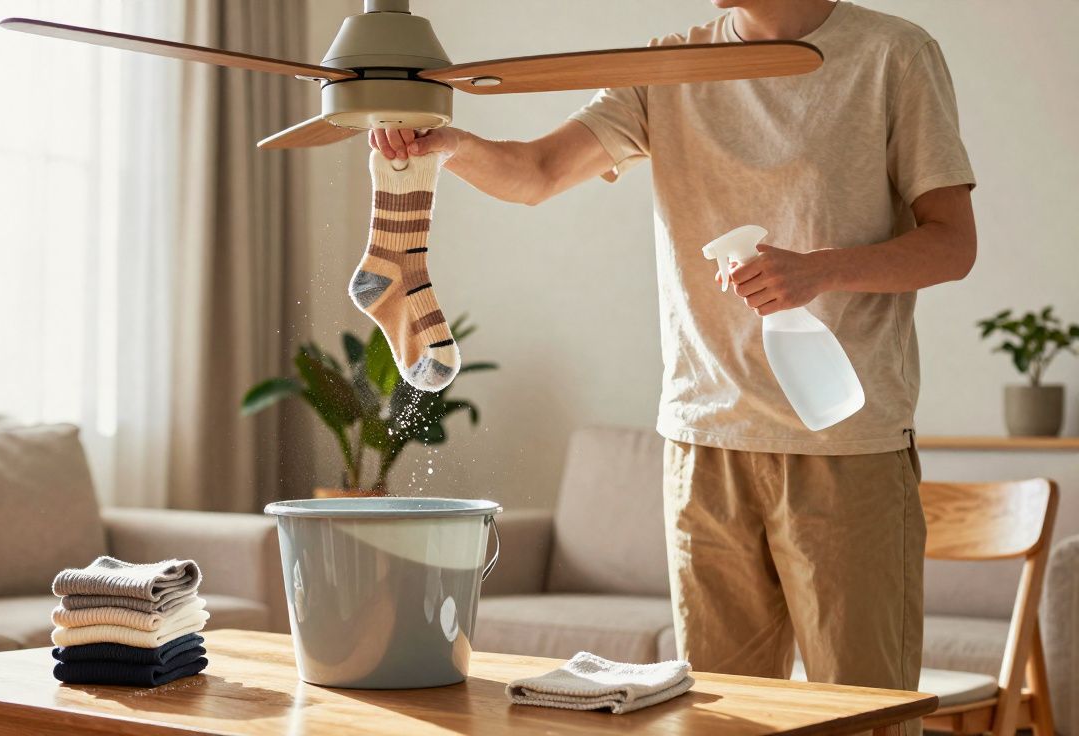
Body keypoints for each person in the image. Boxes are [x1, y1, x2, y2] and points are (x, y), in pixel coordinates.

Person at [372, 1, 975, 733]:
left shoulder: (894, 54)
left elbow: (952, 244)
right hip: (703, 442)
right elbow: (535, 173)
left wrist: (822, 270)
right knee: (723, 720)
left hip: (846, 444)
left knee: (866, 720)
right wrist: (446, 144)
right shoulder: (666, 64)